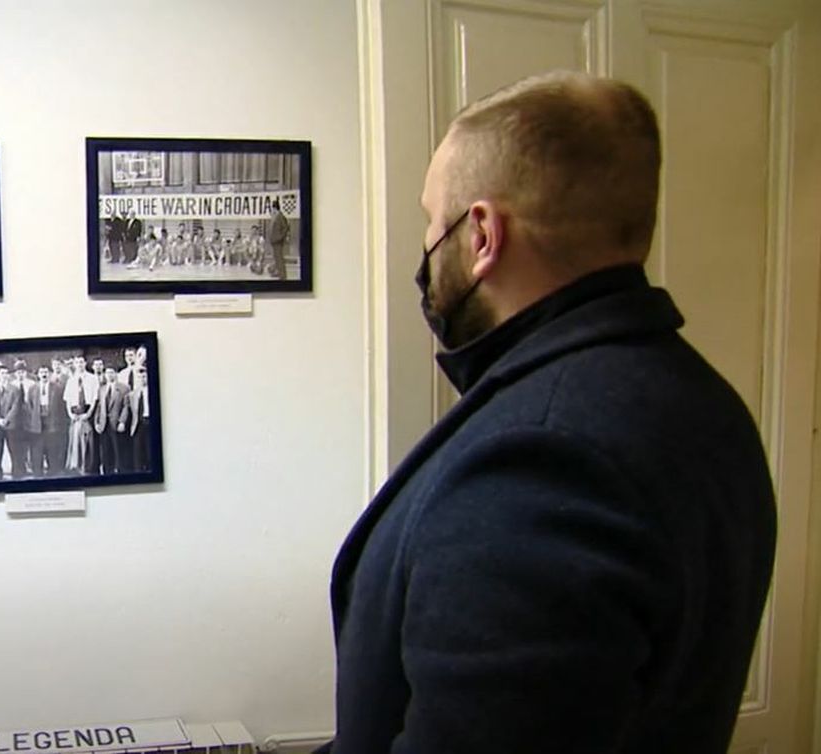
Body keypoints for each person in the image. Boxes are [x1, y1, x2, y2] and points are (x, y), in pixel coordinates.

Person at [318, 71, 774, 754]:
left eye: (432, 220)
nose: (428, 243)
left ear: (481, 235)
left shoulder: (542, 456)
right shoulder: (704, 399)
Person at [92, 365, 129, 474]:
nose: (109, 375)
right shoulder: (102, 389)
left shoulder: (124, 388)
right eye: (107, 373)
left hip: (116, 424)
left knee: (118, 451)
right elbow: (99, 407)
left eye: (112, 372)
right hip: (104, 424)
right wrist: (97, 422)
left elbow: (126, 406)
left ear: (116, 374)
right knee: (106, 452)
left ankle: (120, 473)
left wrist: (122, 422)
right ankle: (107, 473)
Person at [267, 199, 290, 280]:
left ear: (275, 208)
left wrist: (280, 237)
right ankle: (278, 272)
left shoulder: (280, 216)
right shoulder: (274, 216)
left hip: (278, 241)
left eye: (272, 208)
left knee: (279, 259)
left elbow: (285, 228)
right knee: (276, 258)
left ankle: (282, 276)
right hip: (274, 241)